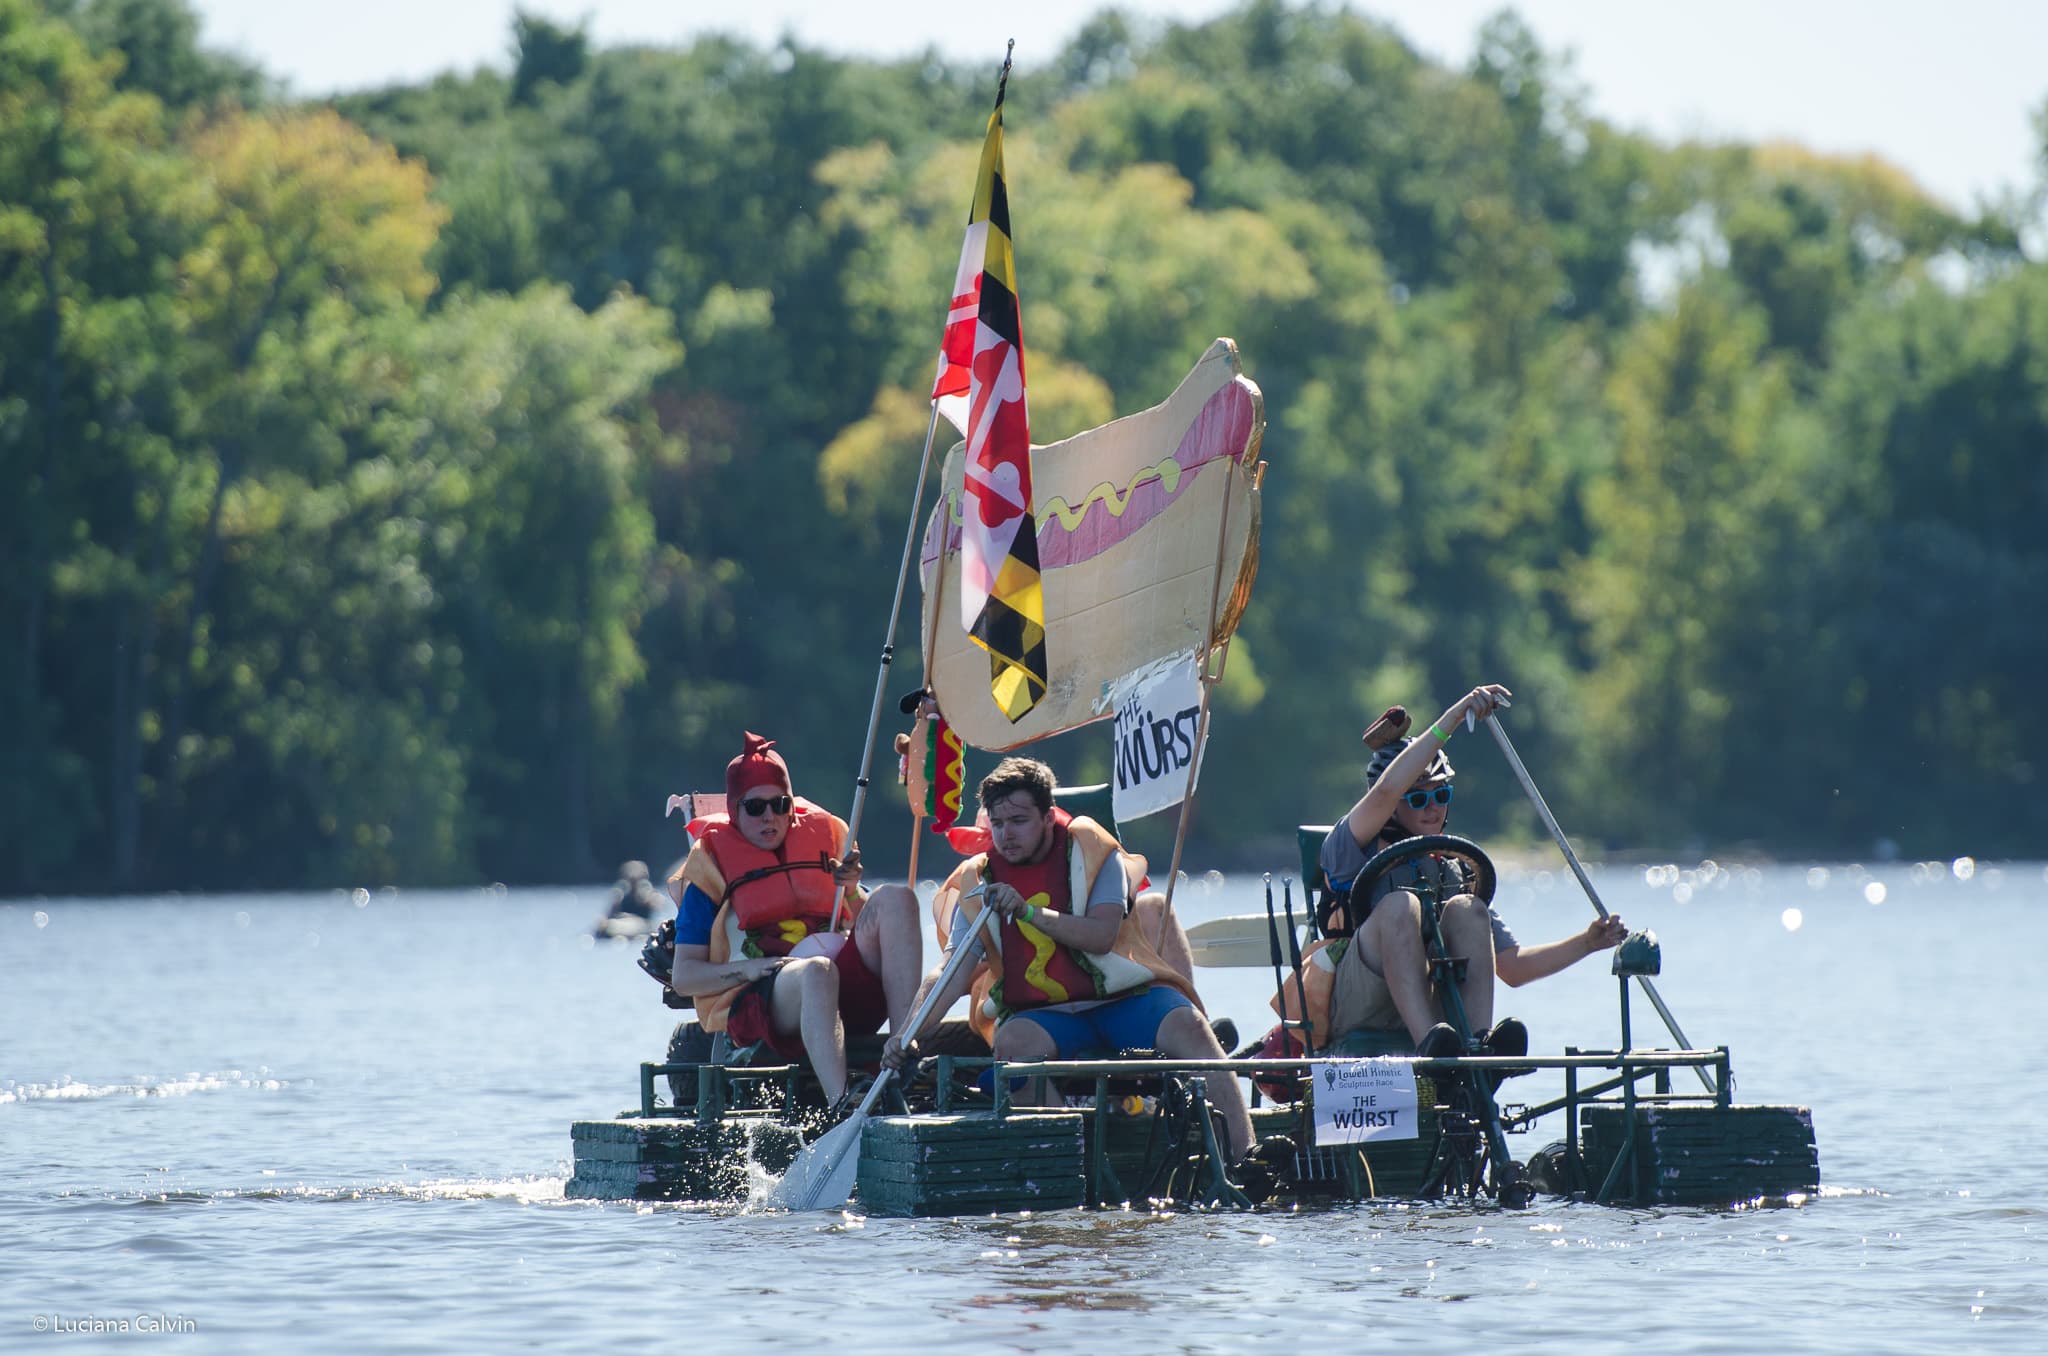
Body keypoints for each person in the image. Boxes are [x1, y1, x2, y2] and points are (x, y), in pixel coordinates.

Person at [880, 755, 1255, 1165]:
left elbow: (1100, 936)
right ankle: (1071, 1170)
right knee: (1012, 1046)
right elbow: (950, 971)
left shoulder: (1094, 851)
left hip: (1120, 1002)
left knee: (1191, 1025)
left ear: (1047, 816)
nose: (1006, 834)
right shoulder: (978, 879)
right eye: (998, 823)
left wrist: (1027, 913)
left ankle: (1243, 1158)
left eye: (1019, 821)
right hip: (1047, 1016)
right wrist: (909, 1033)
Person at [1286, 684, 1626, 1070]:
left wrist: (1587, 942)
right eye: (1417, 799)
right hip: (1354, 1004)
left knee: (1468, 907)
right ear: (1394, 809)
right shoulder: (1349, 848)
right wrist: (1455, 716)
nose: (1432, 809)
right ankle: (1433, 1052)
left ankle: (1475, 1051)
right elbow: (1385, 792)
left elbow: (1512, 967)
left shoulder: (1456, 868)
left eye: (1440, 796)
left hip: (1435, 1014)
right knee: (1400, 905)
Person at [664, 732, 922, 1108]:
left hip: (841, 992)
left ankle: (901, 1048)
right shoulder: (710, 866)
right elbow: (684, 977)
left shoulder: (825, 839)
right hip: (764, 1003)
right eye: (755, 808)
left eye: (780, 804)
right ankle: (841, 1104)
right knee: (817, 971)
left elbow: (879, 937)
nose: (770, 816)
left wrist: (850, 890)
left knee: (897, 898)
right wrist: (752, 968)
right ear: (735, 811)